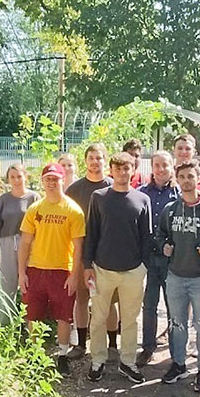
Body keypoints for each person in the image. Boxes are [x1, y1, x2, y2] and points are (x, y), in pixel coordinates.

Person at [156, 160, 200, 392]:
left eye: (191, 176)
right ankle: (178, 364)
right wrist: (164, 246)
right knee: (177, 324)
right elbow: (160, 235)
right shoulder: (170, 210)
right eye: (183, 177)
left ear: (199, 178)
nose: (187, 181)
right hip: (175, 276)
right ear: (178, 180)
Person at [83, 152, 152, 384]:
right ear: (111, 170)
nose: (123, 173)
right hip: (102, 269)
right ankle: (98, 360)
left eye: (127, 168)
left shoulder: (142, 200)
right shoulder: (99, 197)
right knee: (99, 317)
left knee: (130, 319)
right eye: (118, 168)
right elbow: (91, 232)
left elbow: (146, 236)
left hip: (133, 270)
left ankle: (128, 362)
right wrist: (87, 265)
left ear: (133, 170)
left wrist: (143, 267)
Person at [18, 163, 85, 375]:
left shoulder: (73, 210)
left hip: (61, 271)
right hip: (36, 269)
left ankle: (62, 355)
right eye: (47, 179)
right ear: (42, 182)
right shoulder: (35, 209)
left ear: (62, 180)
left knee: (64, 316)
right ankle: (35, 354)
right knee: (33, 315)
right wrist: (21, 273)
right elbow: (25, 243)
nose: (51, 183)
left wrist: (74, 275)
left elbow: (78, 247)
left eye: (55, 179)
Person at [66, 143, 115, 358]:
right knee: (82, 299)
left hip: (107, 254)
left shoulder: (114, 186)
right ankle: (80, 344)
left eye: (99, 158)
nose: (95, 162)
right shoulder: (75, 189)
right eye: (91, 158)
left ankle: (112, 345)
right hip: (81, 253)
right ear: (85, 161)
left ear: (105, 161)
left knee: (109, 301)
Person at [136, 150, 178, 367]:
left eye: (165, 165)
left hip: (173, 260)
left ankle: (175, 349)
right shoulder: (142, 193)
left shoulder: (179, 195)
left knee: (173, 306)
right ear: (151, 168)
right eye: (157, 165)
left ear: (172, 167)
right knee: (149, 304)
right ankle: (148, 347)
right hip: (149, 259)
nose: (161, 169)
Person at [0, 164, 40, 324]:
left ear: (25, 177)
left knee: (30, 285)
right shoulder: (3, 200)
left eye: (19, 176)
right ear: (8, 179)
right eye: (12, 177)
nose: (16, 180)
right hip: (6, 244)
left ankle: (31, 327)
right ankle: (5, 327)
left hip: (30, 244)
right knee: (7, 284)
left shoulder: (34, 198)